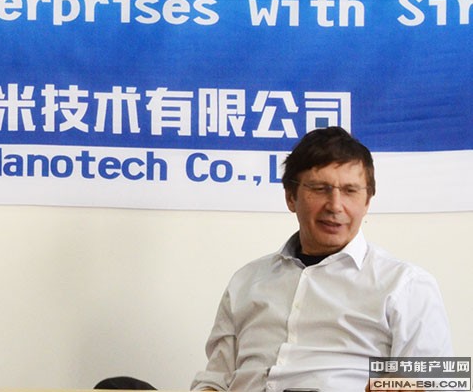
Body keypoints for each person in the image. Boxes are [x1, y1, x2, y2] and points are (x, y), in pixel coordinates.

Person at [192, 126, 452, 391]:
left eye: (350, 191)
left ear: (367, 202)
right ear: (290, 197)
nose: (335, 205)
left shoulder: (406, 285)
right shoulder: (246, 280)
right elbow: (216, 380)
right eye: (320, 188)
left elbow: (440, 384)